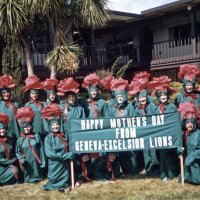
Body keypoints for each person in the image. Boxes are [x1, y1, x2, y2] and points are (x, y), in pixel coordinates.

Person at [148, 76, 179, 181]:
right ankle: (163, 174)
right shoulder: (155, 109)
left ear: (167, 96)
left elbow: (175, 120)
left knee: (170, 154)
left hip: (170, 134)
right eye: (161, 96)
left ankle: (171, 173)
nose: (163, 97)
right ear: (158, 97)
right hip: (160, 135)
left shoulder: (172, 107)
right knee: (161, 154)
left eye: (165, 95)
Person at [106, 77, 138, 178]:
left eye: (121, 96)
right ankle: (117, 172)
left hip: (128, 133)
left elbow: (133, 118)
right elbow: (108, 120)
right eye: (118, 96)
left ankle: (131, 171)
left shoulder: (129, 107)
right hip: (116, 133)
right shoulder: (111, 107)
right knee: (118, 153)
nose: (120, 98)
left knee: (129, 153)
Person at [57, 77, 86, 186]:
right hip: (66, 136)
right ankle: (67, 178)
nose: (71, 99)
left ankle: (79, 177)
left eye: (73, 97)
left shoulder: (80, 108)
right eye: (69, 97)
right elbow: (59, 121)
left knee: (77, 158)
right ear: (66, 97)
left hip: (77, 136)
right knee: (67, 158)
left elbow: (83, 122)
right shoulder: (62, 107)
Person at [129, 71, 159, 177]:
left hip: (152, 131)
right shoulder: (136, 108)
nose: (142, 100)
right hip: (143, 133)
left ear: (147, 97)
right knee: (146, 152)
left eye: (144, 98)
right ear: (138, 99)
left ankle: (156, 169)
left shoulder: (152, 106)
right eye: (140, 98)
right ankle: (149, 169)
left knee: (153, 151)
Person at [42, 103, 73, 192]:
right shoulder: (48, 138)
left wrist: (71, 154)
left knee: (65, 177)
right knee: (53, 179)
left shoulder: (64, 135)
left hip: (65, 164)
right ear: (50, 126)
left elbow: (70, 146)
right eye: (53, 125)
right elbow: (49, 153)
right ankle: (54, 185)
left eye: (57, 125)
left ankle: (64, 186)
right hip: (55, 163)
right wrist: (64, 156)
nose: (56, 126)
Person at [82, 73, 107, 180]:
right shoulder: (85, 103)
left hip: (100, 130)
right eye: (92, 91)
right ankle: (90, 172)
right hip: (89, 131)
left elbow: (106, 117)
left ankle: (100, 171)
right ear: (89, 92)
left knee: (101, 151)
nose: (93, 92)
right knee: (92, 150)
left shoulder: (102, 102)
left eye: (95, 91)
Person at [15, 107, 46, 183]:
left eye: (28, 127)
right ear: (22, 128)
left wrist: (43, 162)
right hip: (27, 163)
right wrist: (21, 159)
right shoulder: (20, 140)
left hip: (37, 162)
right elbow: (17, 151)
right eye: (24, 127)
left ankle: (39, 176)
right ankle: (29, 178)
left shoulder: (36, 136)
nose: (27, 129)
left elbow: (42, 149)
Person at [178, 102, 200, 184]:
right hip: (187, 162)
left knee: (197, 181)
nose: (189, 125)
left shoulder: (198, 133)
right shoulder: (184, 134)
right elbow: (180, 146)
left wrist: (193, 156)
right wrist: (179, 150)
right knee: (185, 179)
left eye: (191, 122)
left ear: (195, 123)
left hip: (196, 161)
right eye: (187, 123)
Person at [0, 112, 20, 186]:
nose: (2, 131)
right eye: (0, 129)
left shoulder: (9, 140)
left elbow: (12, 152)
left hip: (9, 164)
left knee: (16, 171)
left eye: (3, 129)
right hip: (1, 166)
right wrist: (10, 161)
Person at [0, 75, 20, 145]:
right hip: (3, 130)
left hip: (15, 128)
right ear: (2, 94)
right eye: (4, 93)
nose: (6, 94)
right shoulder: (0, 103)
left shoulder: (16, 103)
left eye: (7, 92)